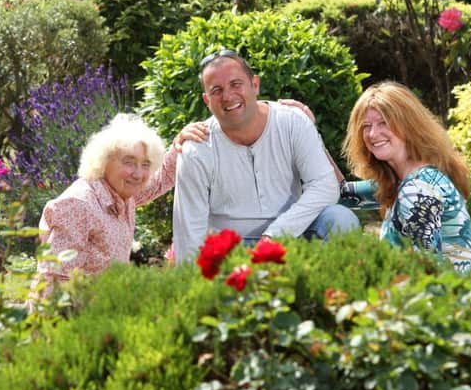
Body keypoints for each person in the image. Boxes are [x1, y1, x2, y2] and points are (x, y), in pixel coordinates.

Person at [173, 50, 359, 263]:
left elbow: (325, 186)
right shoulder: (197, 148)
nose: (227, 96)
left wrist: (276, 235)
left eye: (236, 84)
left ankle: (336, 294)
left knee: (341, 220)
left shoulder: (292, 122)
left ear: (255, 85)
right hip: (231, 251)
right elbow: (189, 229)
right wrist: (191, 285)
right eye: (217, 90)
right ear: (207, 100)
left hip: (294, 233)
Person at [340, 81, 471, 282]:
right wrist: (308, 130)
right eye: (366, 126)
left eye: (383, 122)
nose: (373, 134)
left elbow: (430, 278)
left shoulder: (417, 192)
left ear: (408, 125)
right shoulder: (408, 178)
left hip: (457, 307)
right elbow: (342, 193)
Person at [36, 113, 205, 283]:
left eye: (145, 164)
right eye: (129, 162)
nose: (138, 174)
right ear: (104, 161)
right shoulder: (78, 205)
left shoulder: (121, 194)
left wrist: (180, 145)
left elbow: (159, 181)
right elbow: (54, 280)